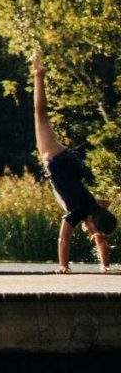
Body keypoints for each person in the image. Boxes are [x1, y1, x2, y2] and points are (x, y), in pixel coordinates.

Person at [34, 55, 115, 274]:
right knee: (40, 116)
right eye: (92, 229)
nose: (90, 233)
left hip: (68, 162)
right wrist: (63, 267)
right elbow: (63, 239)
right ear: (91, 221)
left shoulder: (93, 207)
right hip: (56, 161)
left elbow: (102, 222)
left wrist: (105, 267)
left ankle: (104, 265)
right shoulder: (78, 213)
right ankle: (39, 74)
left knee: (42, 117)